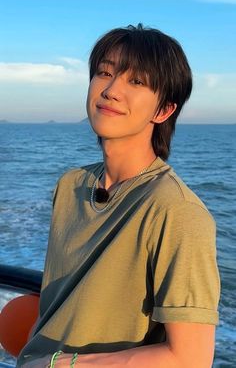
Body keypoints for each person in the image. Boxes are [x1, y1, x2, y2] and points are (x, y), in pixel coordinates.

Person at [18, 24, 220, 368]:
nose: (111, 90)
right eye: (104, 73)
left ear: (164, 110)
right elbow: (57, 298)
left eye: (137, 81)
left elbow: (191, 357)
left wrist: (58, 364)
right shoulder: (70, 185)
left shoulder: (177, 211)